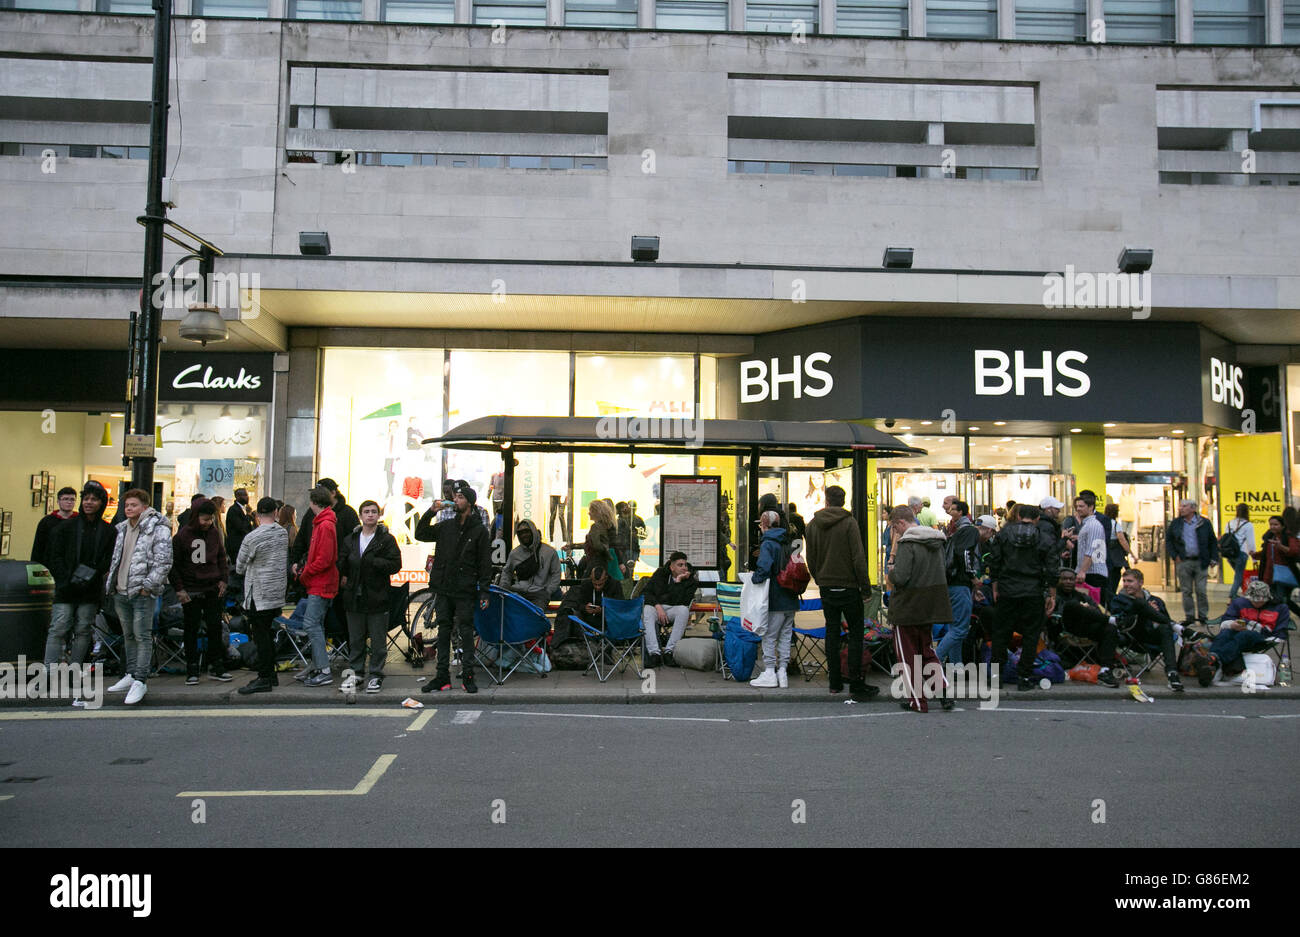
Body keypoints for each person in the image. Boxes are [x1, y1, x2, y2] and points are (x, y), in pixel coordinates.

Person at [805, 484, 876, 702]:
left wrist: (819, 578)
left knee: (832, 632)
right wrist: (865, 587)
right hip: (849, 586)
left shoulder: (813, 524)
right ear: (844, 501)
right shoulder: (849, 523)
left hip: (827, 586)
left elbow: (811, 557)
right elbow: (858, 558)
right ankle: (855, 681)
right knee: (855, 633)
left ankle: (834, 681)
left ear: (826, 500)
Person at [44, 481, 114, 701]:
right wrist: (64, 579)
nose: (88, 503)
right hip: (66, 587)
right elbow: (54, 556)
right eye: (86, 499)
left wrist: (92, 575)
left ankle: (75, 671)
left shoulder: (108, 530)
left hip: (89, 588)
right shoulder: (65, 527)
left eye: (94, 499)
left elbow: (108, 559)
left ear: (101, 503)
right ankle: (49, 672)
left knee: (84, 629)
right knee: (59, 626)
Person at [418, 485, 491, 694]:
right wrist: (431, 511)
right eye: (455, 497)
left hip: (465, 588)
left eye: (460, 497)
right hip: (444, 587)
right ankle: (442, 676)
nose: (455, 500)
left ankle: (468, 675)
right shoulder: (446, 526)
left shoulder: (478, 530)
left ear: (469, 502)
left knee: (466, 632)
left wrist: (484, 591)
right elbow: (421, 533)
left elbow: (484, 563)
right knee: (443, 630)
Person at [104, 488, 173, 706]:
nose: (128, 509)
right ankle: (131, 673)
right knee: (128, 635)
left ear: (145, 507)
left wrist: (148, 586)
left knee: (142, 635)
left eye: (133, 505)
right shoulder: (123, 529)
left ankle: (140, 679)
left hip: (142, 591)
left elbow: (164, 559)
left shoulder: (158, 528)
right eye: (126, 506)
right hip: (121, 589)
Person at [886, 504, 952, 712]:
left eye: (895, 528)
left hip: (908, 605)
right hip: (930, 605)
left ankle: (917, 701)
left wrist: (891, 572)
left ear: (901, 522)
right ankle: (942, 692)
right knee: (927, 650)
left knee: (908, 655)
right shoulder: (936, 540)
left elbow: (902, 577)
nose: (896, 533)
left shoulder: (908, 543)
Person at [988, 503, 1058, 692]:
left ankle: (996, 677)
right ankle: (1024, 677)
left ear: (1018, 516)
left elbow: (995, 562)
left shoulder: (1003, 534)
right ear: (1036, 519)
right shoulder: (1044, 538)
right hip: (1033, 591)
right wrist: (1052, 594)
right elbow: (1052, 569)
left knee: (1001, 634)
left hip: (1007, 590)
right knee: (1031, 635)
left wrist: (995, 586)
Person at [337, 499, 402, 694]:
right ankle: (356, 674)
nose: (370, 515)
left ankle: (375, 675)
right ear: (361, 516)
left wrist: (375, 562)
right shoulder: (351, 539)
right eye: (366, 511)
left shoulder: (386, 539)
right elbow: (341, 560)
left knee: (378, 640)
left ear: (379, 515)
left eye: (374, 511)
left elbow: (395, 564)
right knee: (355, 639)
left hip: (377, 595)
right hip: (354, 596)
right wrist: (344, 577)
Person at [170, 500, 232, 684]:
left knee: (215, 627)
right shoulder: (182, 536)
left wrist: (223, 579)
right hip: (191, 590)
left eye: (210, 519)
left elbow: (221, 557)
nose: (208, 523)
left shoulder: (213, 533)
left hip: (212, 587)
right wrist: (180, 589)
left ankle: (216, 665)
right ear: (196, 517)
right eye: (205, 519)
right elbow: (174, 565)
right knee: (191, 629)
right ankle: (192, 668)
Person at [235, 497, 289, 695]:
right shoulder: (282, 534)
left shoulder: (252, 537)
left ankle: (264, 677)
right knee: (268, 632)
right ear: (275, 512)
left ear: (257, 515)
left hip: (258, 594)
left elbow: (240, 566)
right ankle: (271, 674)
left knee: (261, 637)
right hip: (276, 592)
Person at [1108, 567, 1181, 691]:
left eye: (1130, 581)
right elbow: (1120, 621)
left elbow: (1165, 622)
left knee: (1165, 628)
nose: (1126, 584)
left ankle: (1172, 673)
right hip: (1132, 634)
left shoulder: (1156, 601)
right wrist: (1146, 609)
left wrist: (1155, 614)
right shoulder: (1118, 600)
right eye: (1124, 581)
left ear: (1141, 582)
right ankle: (1180, 628)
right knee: (1140, 604)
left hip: (1151, 635)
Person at [749, 510, 799, 689]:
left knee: (769, 636)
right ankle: (782, 672)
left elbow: (763, 570)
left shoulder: (768, 543)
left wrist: (753, 578)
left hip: (775, 598)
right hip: (791, 598)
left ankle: (770, 671)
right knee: (785, 637)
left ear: (764, 525)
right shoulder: (789, 541)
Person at [1206, 578, 1291, 684]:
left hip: (1262, 636)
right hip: (1238, 633)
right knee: (1225, 634)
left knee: (1244, 635)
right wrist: (1232, 624)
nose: (1257, 603)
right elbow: (1226, 619)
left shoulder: (1279, 608)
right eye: (1254, 600)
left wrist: (1276, 638)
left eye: (1261, 600)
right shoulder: (1239, 603)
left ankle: (1213, 660)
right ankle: (1213, 663)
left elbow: (1281, 630)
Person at [297, 485, 340, 687]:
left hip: (321, 583)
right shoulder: (324, 523)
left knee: (311, 624)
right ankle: (317, 665)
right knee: (317, 625)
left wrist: (305, 572)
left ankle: (323, 669)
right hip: (322, 582)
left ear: (313, 503)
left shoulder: (324, 525)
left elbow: (324, 559)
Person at [1050, 568, 1122, 687]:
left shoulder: (1082, 596)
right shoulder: (1053, 596)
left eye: (1071, 579)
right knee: (1072, 604)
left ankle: (1105, 670)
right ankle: (1113, 620)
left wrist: (1089, 609)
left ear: (1075, 581)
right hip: (1064, 627)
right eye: (1064, 579)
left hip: (1085, 627)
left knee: (1110, 628)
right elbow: (1054, 614)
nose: (1068, 581)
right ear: (1058, 580)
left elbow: (1097, 611)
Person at [936, 499, 979, 669]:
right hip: (960, 584)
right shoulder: (967, 531)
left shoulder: (959, 531)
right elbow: (966, 553)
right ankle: (934, 662)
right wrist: (973, 576)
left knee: (955, 629)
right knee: (959, 630)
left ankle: (956, 668)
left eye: (953, 509)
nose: (949, 511)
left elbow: (962, 554)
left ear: (961, 512)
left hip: (953, 582)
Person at [640, 551, 699, 668]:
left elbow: (682, 601)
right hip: (656, 608)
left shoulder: (690, 581)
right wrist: (658, 606)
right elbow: (646, 593)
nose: (684, 568)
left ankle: (669, 651)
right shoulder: (661, 574)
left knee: (683, 610)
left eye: (685, 565)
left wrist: (678, 582)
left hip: (673, 610)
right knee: (646, 609)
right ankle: (654, 653)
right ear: (672, 567)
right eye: (680, 565)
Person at [1166, 498, 1219, 625]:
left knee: (1201, 590)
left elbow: (1212, 541)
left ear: (1193, 509)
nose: (1181, 508)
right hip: (1184, 561)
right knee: (1186, 590)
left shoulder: (1204, 523)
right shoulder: (1176, 523)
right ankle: (1189, 616)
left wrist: (1213, 558)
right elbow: (1169, 540)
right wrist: (1175, 555)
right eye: (1181, 506)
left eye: (1184, 506)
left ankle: (1202, 616)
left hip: (1201, 561)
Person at [498, 518, 561, 611]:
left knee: (535, 614)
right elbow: (507, 572)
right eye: (521, 533)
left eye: (526, 531)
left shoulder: (550, 552)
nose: (524, 535)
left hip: (540, 593)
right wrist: (504, 587)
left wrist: (548, 591)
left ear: (533, 531)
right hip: (518, 591)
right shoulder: (515, 553)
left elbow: (556, 574)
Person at [1251, 514, 1300, 606]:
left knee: (1281, 599)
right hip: (1269, 573)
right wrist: (1255, 555)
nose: (1272, 527)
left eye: (1276, 524)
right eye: (1271, 524)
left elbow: (1295, 551)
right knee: (1277, 598)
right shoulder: (1270, 537)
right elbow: (1267, 554)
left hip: (1284, 573)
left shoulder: (1289, 537)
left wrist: (1280, 546)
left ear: (1282, 526)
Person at [1072, 493, 1111, 606]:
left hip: (1093, 574)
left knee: (1093, 607)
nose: (1078, 509)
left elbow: (1091, 550)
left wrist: (1082, 571)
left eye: (1081, 506)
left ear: (1091, 507)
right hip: (1087, 573)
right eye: (1077, 506)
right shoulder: (1086, 525)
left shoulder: (1093, 525)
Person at [30, 486, 78, 568]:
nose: (69, 502)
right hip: (50, 564)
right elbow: (38, 547)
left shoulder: (79, 521)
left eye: (72, 499)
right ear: (58, 501)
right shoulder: (47, 521)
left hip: (73, 566)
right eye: (65, 499)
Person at [1221, 502, 1256, 602]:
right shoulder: (1248, 525)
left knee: (1238, 575)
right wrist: (1253, 557)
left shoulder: (1229, 523)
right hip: (1241, 553)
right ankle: (1232, 596)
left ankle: (1246, 592)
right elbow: (1251, 542)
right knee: (1239, 575)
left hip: (1229, 554)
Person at [1102, 502, 1133, 600]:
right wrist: (1131, 553)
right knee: (1114, 580)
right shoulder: (1115, 525)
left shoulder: (1101, 522)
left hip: (1103, 555)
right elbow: (1122, 540)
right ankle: (1112, 599)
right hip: (1115, 558)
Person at [225, 488, 253, 567]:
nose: (247, 497)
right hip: (236, 546)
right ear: (238, 496)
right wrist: (249, 516)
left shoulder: (243, 508)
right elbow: (240, 527)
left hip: (243, 545)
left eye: (247, 495)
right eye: (245, 495)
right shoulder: (233, 510)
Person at [614, 501, 642, 579]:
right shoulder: (619, 521)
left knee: (628, 572)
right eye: (625, 506)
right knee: (625, 572)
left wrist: (636, 534)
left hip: (632, 548)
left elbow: (643, 534)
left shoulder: (637, 520)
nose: (628, 508)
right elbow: (618, 537)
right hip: (624, 549)